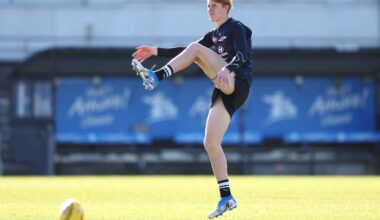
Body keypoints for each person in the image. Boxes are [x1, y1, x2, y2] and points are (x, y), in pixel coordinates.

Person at [131, 0, 252, 218]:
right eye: (208, 6)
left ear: (226, 8)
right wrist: (155, 50)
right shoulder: (213, 34)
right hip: (224, 86)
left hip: (237, 79)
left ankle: (156, 76)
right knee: (211, 143)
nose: (210, 9)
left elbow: (243, 55)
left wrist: (227, 68)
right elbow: (187, 51)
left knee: (196, 50)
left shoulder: (236, 27)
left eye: (215, 5)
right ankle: (226, 197)